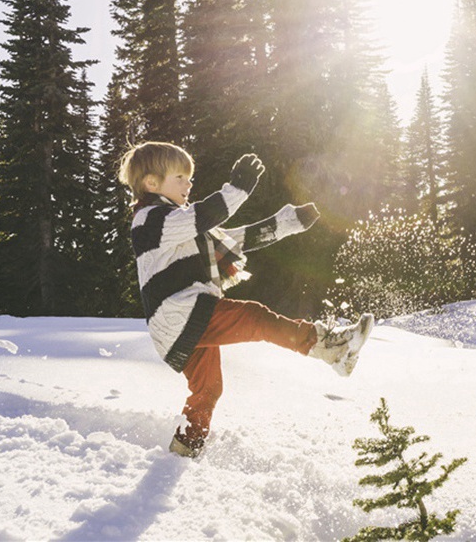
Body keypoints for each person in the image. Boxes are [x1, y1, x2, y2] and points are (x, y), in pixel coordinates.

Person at [118, 141, 374, 458]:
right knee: (253, 317)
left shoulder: (181, 227)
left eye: (189, 177)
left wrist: (288, 222)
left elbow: (237, 240)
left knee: (208, 390)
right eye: (180, 177)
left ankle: (182, 451)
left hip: (179, 323)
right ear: (151, 183)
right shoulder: (151, 219)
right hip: (181, 313)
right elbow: (204, 215)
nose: (189, 183)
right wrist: (237, 189)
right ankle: (328, 346)